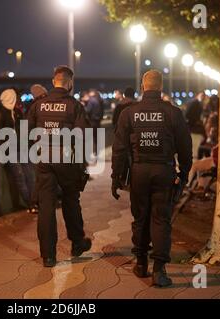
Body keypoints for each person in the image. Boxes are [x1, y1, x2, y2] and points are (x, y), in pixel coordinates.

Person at [111, 70, 192, 287]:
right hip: (164, 171)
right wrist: (184, 174)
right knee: (161, 219)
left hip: (139, 171)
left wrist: (116, 177)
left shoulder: (129, 113)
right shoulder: (173, 113)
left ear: (142, 87)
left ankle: (140, 263)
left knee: (140, 218)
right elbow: (185, 147)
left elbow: (118, 149)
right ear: (161, 87)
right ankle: (159, 270)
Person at [28, 65, 92, 267]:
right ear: (70, 83)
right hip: (66, 159)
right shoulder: (75, 106)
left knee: (46, 206)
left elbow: (26, 133)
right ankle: (77, 243)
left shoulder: (38, 105)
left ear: (53, 81)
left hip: (44, 159)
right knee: (71, 200)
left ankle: (48, 256)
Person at [0, 88, 36, 213]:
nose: (18, 99)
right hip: (10, 151)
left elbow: (23, 129)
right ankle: (30, 204)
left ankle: (34, 202)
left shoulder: (17, 112)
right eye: (16, 97)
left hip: (22, 148)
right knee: (20, 177)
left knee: (30, 175)